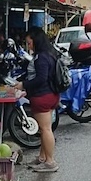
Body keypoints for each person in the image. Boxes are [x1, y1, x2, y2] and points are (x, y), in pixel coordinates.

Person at [22, 27, 61, 171]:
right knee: (45, 129)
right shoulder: (50, 53)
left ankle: (50, 162)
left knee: (45, 129)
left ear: (36, 41)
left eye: (30, 43)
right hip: (51, 95)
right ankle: (42, 158)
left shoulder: (42, 57)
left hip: (42, 96)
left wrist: (23, 85)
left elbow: (40, 79)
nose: (29, 46)